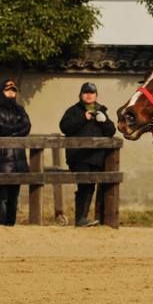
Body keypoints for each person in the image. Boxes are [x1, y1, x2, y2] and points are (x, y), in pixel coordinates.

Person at [59, 82, 116, 227]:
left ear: (96, 95)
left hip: (96, 157)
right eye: (86, 92)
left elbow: (111, 131)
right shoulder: (73, 111)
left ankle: (85, 218)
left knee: (91, 186)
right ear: (80, 95)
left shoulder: (101, 111)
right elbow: (65, 127)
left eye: (92, 93)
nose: (89, 95)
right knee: (84, 185)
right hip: (78, 156)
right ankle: (80, 218)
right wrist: (83, 117)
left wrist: (104, 121)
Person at [0, 79, 31, 226]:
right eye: (8, 90)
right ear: (1, 92)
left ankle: (11, 224)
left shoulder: (20, 109)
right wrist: (17, 130)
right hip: (2, 156)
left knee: (14, 195)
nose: (11, 93)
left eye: (13, 90)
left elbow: (27, 127)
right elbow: (1, 127)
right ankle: (1, 224)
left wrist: (13, 132)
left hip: (18, 157)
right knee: (2, 195)